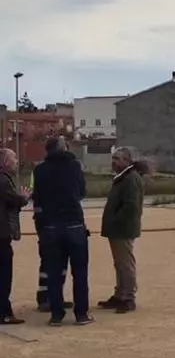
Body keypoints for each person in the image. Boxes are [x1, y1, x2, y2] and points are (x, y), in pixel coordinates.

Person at [32, 137, 93, 326]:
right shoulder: (75, 166)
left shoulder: (39, 170)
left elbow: (37, 197)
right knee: (80, 272)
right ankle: (81, 314)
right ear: (64, 148)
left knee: (53, 272)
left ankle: (56, 314)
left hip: (50, 226)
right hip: (74, 224)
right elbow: (82, 192)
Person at [98, 147, 145, 314]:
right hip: (117, 229)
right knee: (119, 263)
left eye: (117, 159)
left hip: (123, 229)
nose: (114, 162)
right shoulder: (122, 178)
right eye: (113, 158)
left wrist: (115, 220)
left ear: (127, 161)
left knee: (126, 264)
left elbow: (131, 207)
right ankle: (120, 294)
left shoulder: (131, 179)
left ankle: (128, 297)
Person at [0, 148, 28, 324]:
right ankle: (4, 313)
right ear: (4, 162)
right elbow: (14, 199)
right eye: (14, 158)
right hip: (1, 234)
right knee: (4, 274)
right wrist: (24, 197)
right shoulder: (3, 180)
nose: (17, 161)